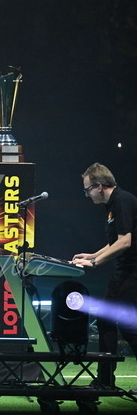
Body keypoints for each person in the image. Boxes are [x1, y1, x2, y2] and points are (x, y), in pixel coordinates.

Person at [71, 162, 137, 388]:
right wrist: (92, 255)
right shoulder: (111, 205)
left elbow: (125, 242)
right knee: (107, 320)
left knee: (127, 325)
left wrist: (95, 262)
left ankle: (105, 380)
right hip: (124, 270)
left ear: (99, 186)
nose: (87, 194)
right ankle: (105, 380)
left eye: (88, 189)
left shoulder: (122, 201)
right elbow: (115, 242)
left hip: (133, 271)